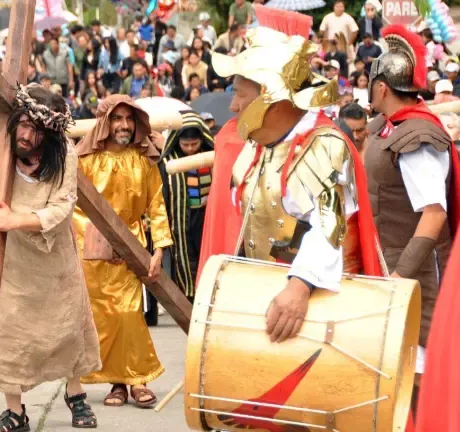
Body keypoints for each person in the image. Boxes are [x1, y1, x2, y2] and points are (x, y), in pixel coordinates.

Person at [203, 26, 382, 352]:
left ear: (270, 99)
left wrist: (300, 285)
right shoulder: (259, 146)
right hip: (270, 296)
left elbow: (329, 225)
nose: (233, 107)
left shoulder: (324, 145)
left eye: (240, 94)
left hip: (325, 313)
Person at [0, 84, 100, 431]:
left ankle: (75, 396)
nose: (27, 135)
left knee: (67, 328)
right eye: (24, 125)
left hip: (54, 258)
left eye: (37, 130)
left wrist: (15, 219)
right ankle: (15, 412)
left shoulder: (63, 151)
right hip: (10, 261)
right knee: (9, 336)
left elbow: (63, 205)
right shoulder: (3, 136)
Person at [365, 25, 460, 411]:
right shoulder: (391, 128)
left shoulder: (418, 137)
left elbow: (434, 214)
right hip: (391, 264)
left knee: (419, 369)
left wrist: (401, 275)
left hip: (418, 274)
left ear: (383, 87)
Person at [72, 94, 172, 409]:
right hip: (94, 253)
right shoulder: (85, 160)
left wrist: (158, 249)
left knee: (130, 314)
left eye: (129, 119)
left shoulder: (144, 158)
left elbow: (157, 204)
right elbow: (76, 209)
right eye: (117, 118)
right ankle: (117, 382)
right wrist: (102, 244)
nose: (124, 125)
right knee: (104, 318)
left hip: (131, 249)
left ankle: (138, 378)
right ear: (105, 123)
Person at [159, 112, 214, 302]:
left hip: (206, 220)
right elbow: (162, 196)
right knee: (183, 260)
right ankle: (188, 299)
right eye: (185, 145)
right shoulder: (167, 163)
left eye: (194, 144)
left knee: (207, 258)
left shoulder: (212, 157)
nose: (190, 149)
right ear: (177, 141)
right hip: (180, 221)